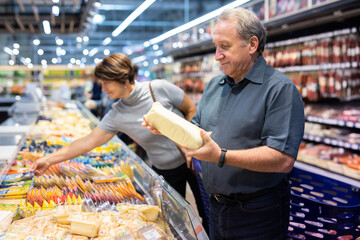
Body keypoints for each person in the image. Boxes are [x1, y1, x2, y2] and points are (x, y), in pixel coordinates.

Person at [143, 7, 304, 240]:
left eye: (225, 47)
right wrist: (166, 127)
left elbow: (282, 159)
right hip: (216, 206)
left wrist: (221, 155)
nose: (217, 55)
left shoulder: (279, 89)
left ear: (251, 45)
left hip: (257, 213)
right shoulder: (214, 85)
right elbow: (197, 131)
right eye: (216, 47)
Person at [29, 53, 208, 232]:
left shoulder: (159, 88)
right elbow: (88, 141)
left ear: (121, 77)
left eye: (106, 83)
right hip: (165, 171)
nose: (103, 88)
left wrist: (192, 147)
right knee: (175, 225)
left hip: (197, 161)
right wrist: (49, 159)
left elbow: (190, 108)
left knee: (207, 214)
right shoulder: (117, 114)